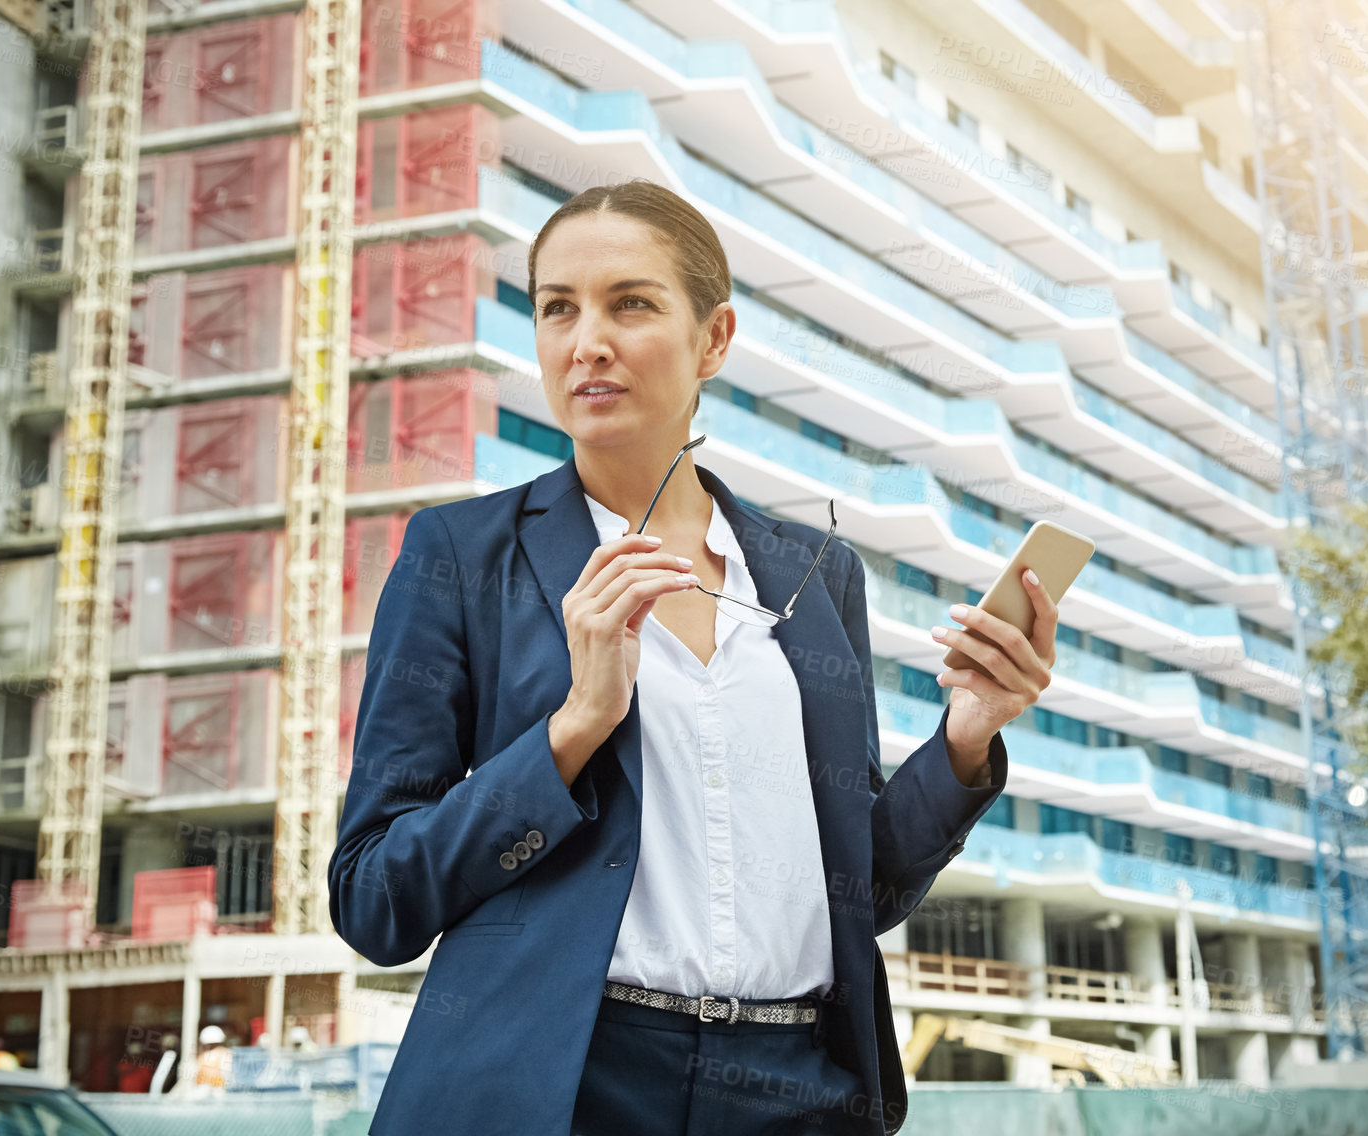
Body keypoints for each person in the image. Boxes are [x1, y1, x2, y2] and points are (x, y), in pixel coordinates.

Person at [328, 180, 1059, 1136]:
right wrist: (573, 727)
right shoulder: (462, 558)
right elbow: (375, 898)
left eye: (630, 303)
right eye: (558, 307)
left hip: (799, 1086)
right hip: (571, 1085)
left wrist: (967, 738)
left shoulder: (816, 574)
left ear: (714, 338)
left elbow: (858, 889)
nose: (587, 339)